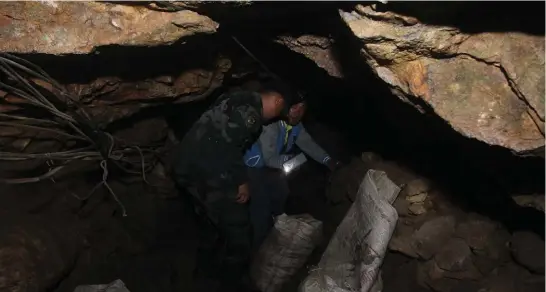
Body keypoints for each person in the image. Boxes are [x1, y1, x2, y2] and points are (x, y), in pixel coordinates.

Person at [171, 79, 291, 291]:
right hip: (210, 173)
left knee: (209, 222)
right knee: (240, 234)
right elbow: (226, 147)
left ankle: (203, 273)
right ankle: (231, 283)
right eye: (278, 112)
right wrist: (241, 181)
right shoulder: (251, 115)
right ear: (277, 100)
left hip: (187, 169)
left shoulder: (234, 97)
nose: (274, 119)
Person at [243, 96, 342, 250]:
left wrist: (328, 160)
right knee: (261, 211)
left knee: (281, 197)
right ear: (284, 107)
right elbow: (269, 159)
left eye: (302, 107)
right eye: (293, 107)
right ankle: (257, 251)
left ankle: (273, 236)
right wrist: (296, 159)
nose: (298, 112)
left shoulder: (296, 127)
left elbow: (309, 145)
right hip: (254, 169)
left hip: (272, 170)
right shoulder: (272, 125)